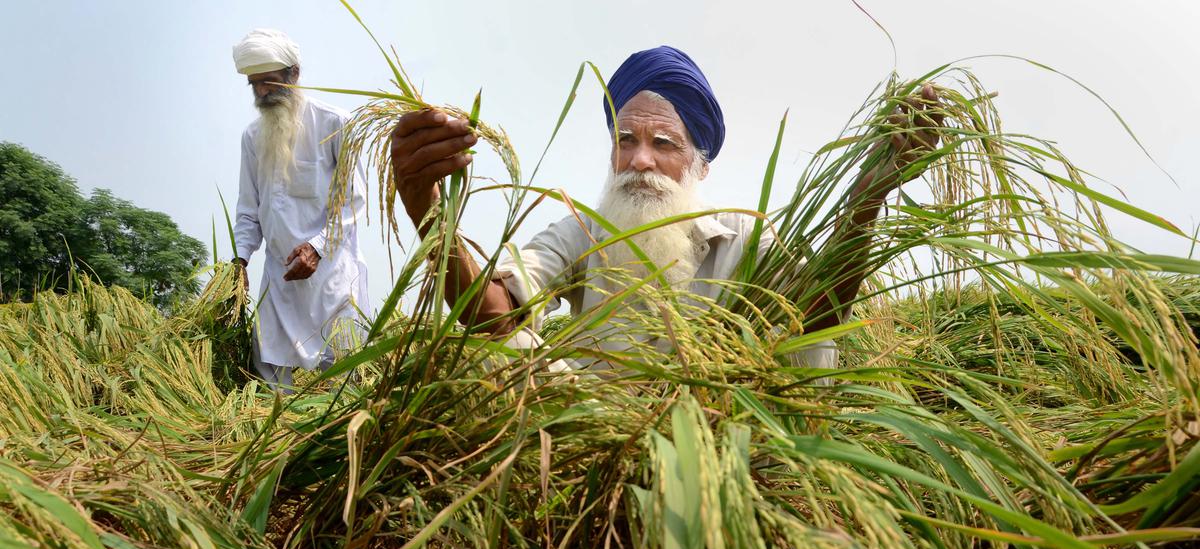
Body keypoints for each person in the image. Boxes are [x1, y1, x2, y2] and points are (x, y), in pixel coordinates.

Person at [387, 45, 941, 372]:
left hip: (711, 436)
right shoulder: (582, 229)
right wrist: (431, 215)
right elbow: (495, 312)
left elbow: (817, 312)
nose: (640, 160)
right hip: (594, 441)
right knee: (500, 351)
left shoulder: (742, 237)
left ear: (698, 165)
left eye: (664, 144)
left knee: (812, 347)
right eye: (625, 140)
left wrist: (868, 197)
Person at [231, 28, 371, 390]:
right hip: (280, 279)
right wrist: (241, 261)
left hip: (331, 279)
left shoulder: (335, 124)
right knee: (270, 376)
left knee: (346, 377)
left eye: (270, 82)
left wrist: (317, 248)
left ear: (294, 75)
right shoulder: (251, 138)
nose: (263, 92)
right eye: (255, 85)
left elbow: (353, 201)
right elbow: (249, 207)